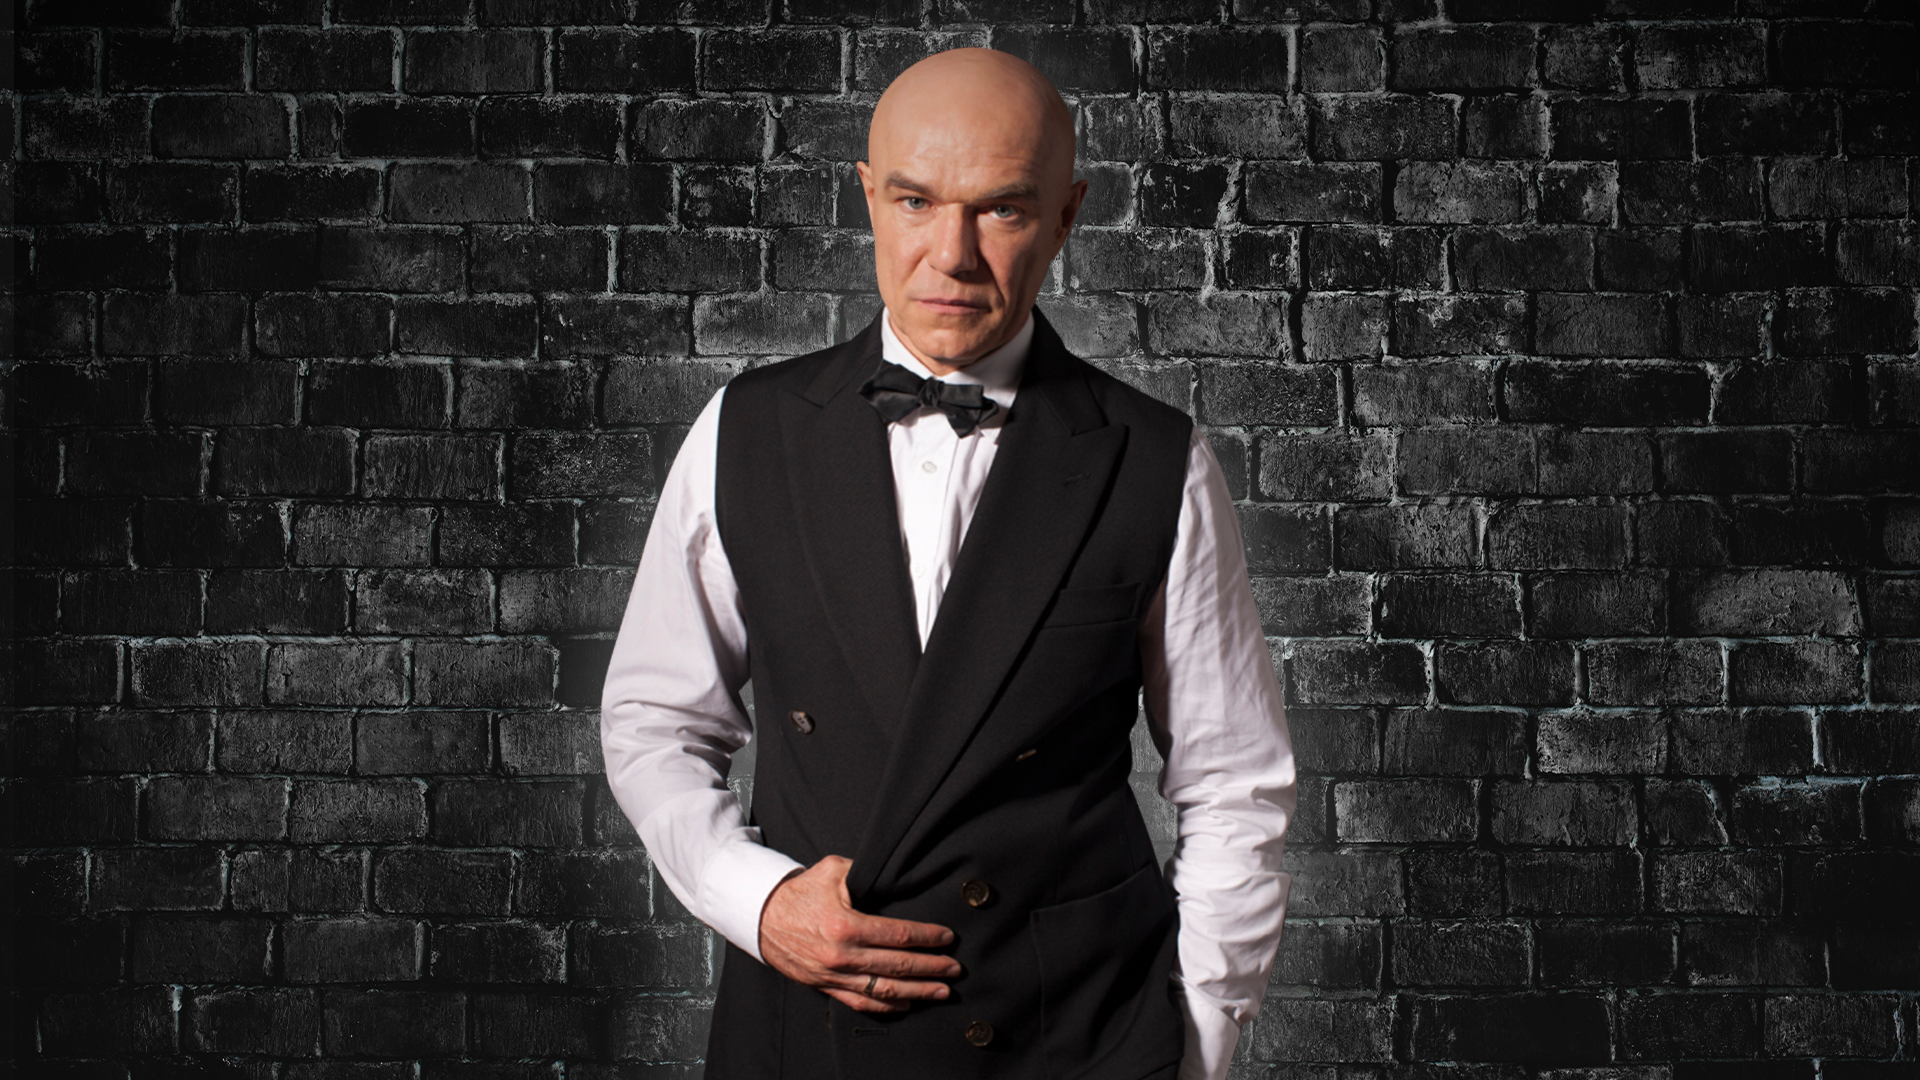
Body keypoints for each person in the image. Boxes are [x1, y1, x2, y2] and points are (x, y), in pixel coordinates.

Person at [600, 47, 1295, 1080]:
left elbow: (1235, 786)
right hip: (810, 1037)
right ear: (869, 200)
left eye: (1002, 209)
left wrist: (1194, 1047)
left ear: (1066, 217)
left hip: (1073, 1041)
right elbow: (656, 719)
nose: (953, 255)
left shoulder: (1155, 461)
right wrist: (758, 899)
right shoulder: (744, 430)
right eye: (917, 201)